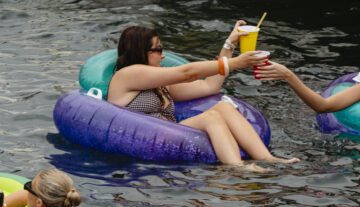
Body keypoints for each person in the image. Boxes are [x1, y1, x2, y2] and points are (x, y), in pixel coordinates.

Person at [107, 23, 297, 168]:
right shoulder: (126, 75)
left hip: (170, 133)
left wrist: (229, 44)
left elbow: (210, 85)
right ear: (139, 51)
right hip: (145, 139)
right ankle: (237, 168)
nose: (162, 55)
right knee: (212, 117)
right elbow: (187, 72)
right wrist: (235, 63)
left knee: (223, 106)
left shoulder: (160, 84)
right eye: (157, 49)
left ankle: (268, 160)